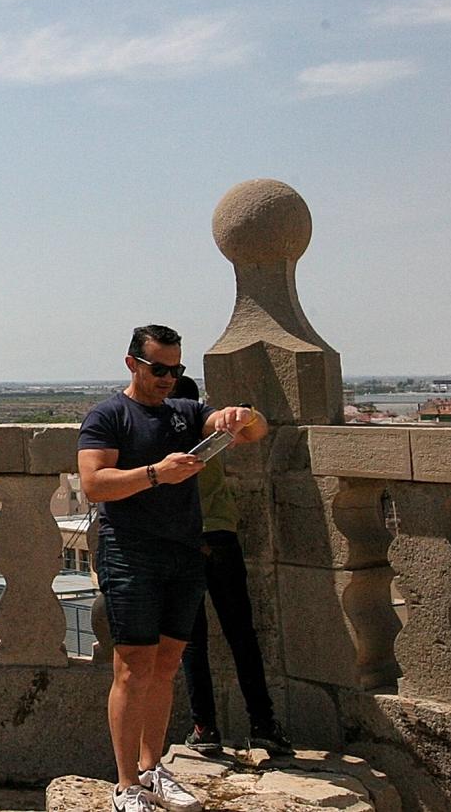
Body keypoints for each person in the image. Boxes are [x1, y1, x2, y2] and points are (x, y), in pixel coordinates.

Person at [79, 325, 268, 812]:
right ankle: (125, 786)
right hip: (131, 554)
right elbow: (95, 483)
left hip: (183, 554)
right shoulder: (108, 416)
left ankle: (152, 768)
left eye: (175, 369)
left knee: (165, 667)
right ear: (132, 364)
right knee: (131, 668)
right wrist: (156, 474)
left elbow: (255, 432)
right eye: (157, 368)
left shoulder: (186, 413)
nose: (167, 378)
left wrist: (241, 416)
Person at [169, 372, 287, 758]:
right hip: (219, 535)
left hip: (182, 540)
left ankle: (205, 728)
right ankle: (263, 724)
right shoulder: (207, 440)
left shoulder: (162, 441)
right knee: (241, 634)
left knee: (192, 642)